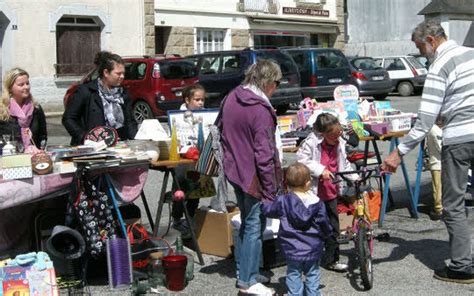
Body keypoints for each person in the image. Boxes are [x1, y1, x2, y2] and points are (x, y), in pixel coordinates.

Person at [382, 19, 474, 284]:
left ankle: (461, 266)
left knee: (453, 203)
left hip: (460, 140)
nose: (421, 53)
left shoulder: (439, 66)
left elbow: (424, 121)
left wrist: (398, 152)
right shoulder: (471, 54)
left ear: (431, 41)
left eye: (420, 47)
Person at [220, 59, 283, 295]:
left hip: (235, 169)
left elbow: (221, 130)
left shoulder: (233, 96)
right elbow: (264, 155)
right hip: (252, 175)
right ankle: (248, 282)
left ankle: (247, 273)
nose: (277, 87)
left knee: (248, 223)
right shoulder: (260, 110)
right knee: (255, 226)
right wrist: (270, 190)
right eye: (276, 82)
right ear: (267, 82)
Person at [297, 112, 356, 272]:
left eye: (339, 134)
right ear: (323, 134)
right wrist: (320, 169)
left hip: (331, 192)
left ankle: (332, 259)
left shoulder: (339, 143)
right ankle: (306, 260)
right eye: (333, 136)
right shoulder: (311, 142)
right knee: (311, 227)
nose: (337, 138)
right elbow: (301, 160)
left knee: (333, 228)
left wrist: (355, 178)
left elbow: (344, 164)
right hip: (314, 194)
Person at [261, 162, 331, 296]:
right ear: (307, 183)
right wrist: (328, 235)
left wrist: (263, 203)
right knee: (313, 273)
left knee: (293, 273)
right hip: (313, 247)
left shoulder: (283, 201)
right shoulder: (317, 202)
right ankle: (313, 294)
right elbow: (324, 223)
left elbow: (269, 210)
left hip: (291, 247)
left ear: (286, 183)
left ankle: (294, 294)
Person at [62, 51, 137, 146]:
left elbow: (130, 121)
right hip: (92, 148)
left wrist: (134, 141)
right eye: (118, 73)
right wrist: (85, 138)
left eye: (123, 73)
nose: (122, 77)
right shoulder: (86, 92)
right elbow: (68, 119)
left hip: (119, 145)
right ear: (106, 72)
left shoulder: (123, 94)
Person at [172, 84, 208, 236]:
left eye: (202, 100)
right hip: (181, 160)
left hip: (197, 159)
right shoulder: (177, 116)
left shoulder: (205, 115)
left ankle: (191, 217)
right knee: (180, 187)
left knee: (196, 188)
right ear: (187, 100)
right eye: (197, 100)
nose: (201, 103)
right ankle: (177, 218)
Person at [0, 67, 47, 152]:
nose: (26, 87)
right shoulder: (2, 110)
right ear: (10, 88)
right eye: (21, 85)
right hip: (9, 159)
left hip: (34, 158)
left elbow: (42, 136)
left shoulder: (36, 108)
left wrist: (38, 149)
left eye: (27, 83)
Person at [426, 118, 443, 221]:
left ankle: (439, 207)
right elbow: (441, 148)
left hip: (438, 162)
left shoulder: (435, 129)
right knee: (438, 187)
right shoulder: (435, 130)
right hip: (437, 163)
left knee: (438, 186)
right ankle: (439, 209)